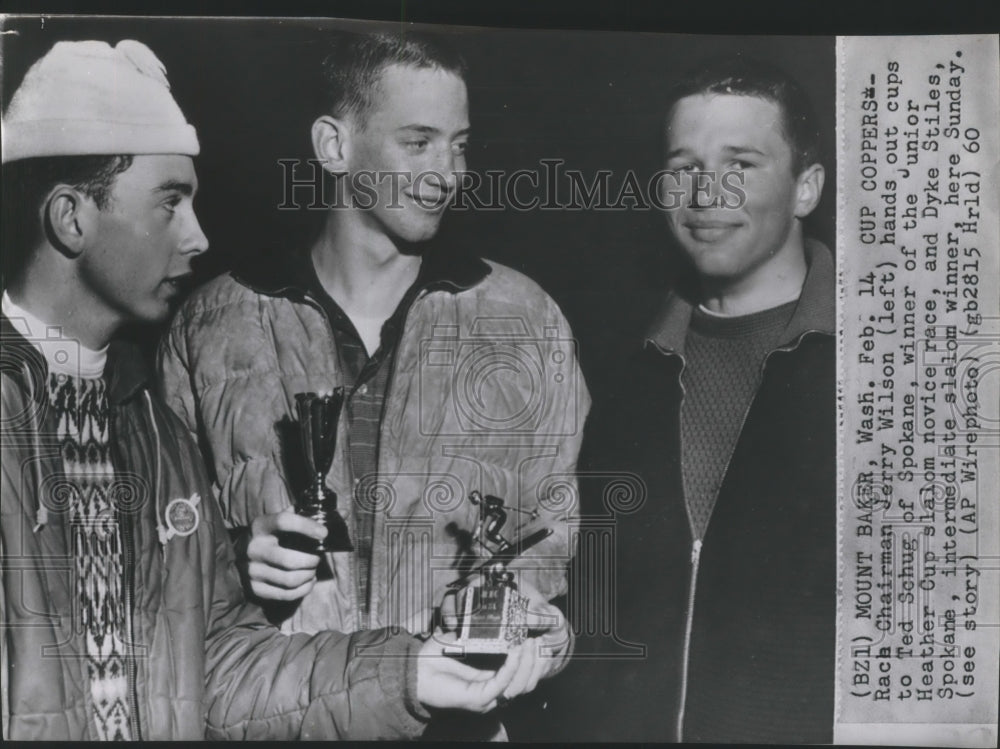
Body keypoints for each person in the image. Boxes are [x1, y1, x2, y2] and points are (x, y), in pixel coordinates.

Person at [0, 38, 552, 741]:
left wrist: (413, 670)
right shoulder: (198, 343)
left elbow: (214, 669)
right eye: (170, 205)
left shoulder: (149, 431)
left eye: (459, 145)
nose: (200, 238)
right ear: (71, 218)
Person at [156, 30, 588, 735]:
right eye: (417, 142)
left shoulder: (525, 319)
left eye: (460, 144)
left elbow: (550, 552)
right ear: (333, 146)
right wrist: (239, 554)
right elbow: (171, 586)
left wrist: (535, 629)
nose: (447, 172)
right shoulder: (209, 326)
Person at [564, 57, 835, 743]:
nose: (705, 192)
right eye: (683, 165)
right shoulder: (617, 365)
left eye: (740, 163)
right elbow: (593, 604)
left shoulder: (893, 373)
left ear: (807, 188)